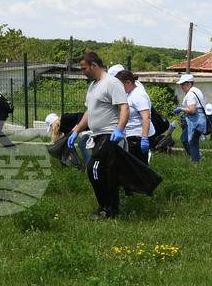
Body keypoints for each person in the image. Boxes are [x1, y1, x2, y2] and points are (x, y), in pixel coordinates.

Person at [66, 51, 129, 220]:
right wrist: (76, 130)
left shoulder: (112, 83)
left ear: (94, 65)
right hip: (97, 135)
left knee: (93, 167)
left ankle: (104, 207)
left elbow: (124, 107)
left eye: (84, 68)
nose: (82, 72)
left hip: (109, 134)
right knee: (107, 173)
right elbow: (90, 111)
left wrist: (119, 129)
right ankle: (113, 210)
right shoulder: (93, 85)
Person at [115, 69, 155, 163]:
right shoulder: (130, 94)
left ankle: (149, 178)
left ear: (128, 82)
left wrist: (144, 138)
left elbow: (146, 117)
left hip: (139, 137)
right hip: (133, 135)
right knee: (135, 167)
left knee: (137, 166)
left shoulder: (138, 95)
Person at [173, 74, 206, 163]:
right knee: (192, 141)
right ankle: (197, 159)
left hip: (195, 121)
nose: (181, 86)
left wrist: (181, 109)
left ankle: (195, 161)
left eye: (183, 84)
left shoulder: (191, 94)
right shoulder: (195, 90)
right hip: (199, 120)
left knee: (188, 140)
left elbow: (192, 110)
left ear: (189, 84)